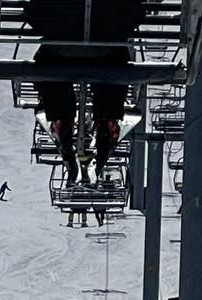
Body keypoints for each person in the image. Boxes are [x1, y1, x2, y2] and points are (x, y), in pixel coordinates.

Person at [23, 0, 146, 179]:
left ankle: (61, 119)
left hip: (60, 50)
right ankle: (107, 120)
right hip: (106, 49)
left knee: (48, 63)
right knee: (115, 63)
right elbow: (137, 14)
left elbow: (33, 14)